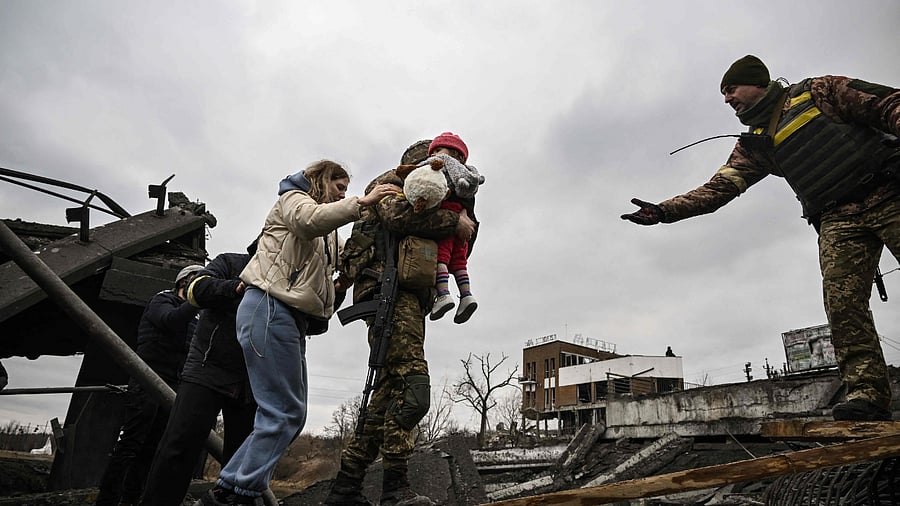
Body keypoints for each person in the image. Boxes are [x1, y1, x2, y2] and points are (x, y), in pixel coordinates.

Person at [621, 54, 899, 422]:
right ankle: (867, 393)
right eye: (723, 94)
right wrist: (665, 211)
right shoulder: (755, 144)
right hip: (837, 220)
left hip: (889, 193)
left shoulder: (819, 92)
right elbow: (719, 188)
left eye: (731, 89)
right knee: (843, 306)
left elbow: (888, 104)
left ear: (757, 82)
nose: (727, 99)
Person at [196, 161, 397, 506]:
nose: (344, 193)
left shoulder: (328, 232)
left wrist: (344, 281)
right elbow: (308, 221)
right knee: (283, 411)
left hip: (289, 318)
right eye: (339, 186)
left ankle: (228, 488)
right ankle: (234, 493)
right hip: (269, 307)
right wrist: (364, 203)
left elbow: (317, 282)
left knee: (292, 412)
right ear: (321, 180)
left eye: (347, 190)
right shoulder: (293, 199)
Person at [325, 141, 476, 506]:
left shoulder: (447, 196)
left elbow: (465, 241)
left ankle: (345, 486)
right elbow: (397, 217)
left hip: (408, 298)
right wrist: (454, 220)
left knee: (386, 397)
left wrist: (460, 215)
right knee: (413, 388)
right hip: (385, 291)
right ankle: (395, 489)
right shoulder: (391, 186)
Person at [140, 243, 258, 506]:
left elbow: (315, 323)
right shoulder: (229, 263)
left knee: (240, 462)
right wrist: (236, 286)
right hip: (207, 369)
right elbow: (200, 288)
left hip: (252, 381)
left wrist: (335, 292)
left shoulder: (287, 277)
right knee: (178, 448)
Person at [95, 264, 204, 506]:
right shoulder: (162, 300)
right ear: (184, 281)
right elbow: (169, 321)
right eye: (199, 280)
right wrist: (196, 303)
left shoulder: (196, 316)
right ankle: (107, 500)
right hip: (148, 377)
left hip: (174, 383)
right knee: (132, 442)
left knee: (153, 446)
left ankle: (132, 500)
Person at [421, 132, 485, 324]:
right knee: (458, 263)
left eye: (439, 150)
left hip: (447, 225)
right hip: (464, 230)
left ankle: (443, 294)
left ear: (454, 154)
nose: (434, 155)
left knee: (441, 258)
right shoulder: (469, 177)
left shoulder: (438, 167)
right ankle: (466, 296)